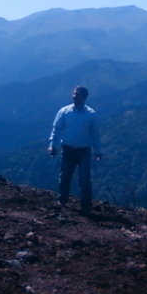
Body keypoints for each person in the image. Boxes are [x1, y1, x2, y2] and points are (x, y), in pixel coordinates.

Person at [48, 85, 102, 214]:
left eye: (77, 94)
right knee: (65, 176)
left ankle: (86, 206)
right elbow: (56, 129)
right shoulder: (64, 111)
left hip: (84, 150)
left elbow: (95, 134)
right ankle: (62, 201)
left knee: (85, 179)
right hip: (68, 149)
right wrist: (52, 145)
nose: (74, 96)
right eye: (74, 94)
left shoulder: (91, 114)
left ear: (84, 97)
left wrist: (98, 151)